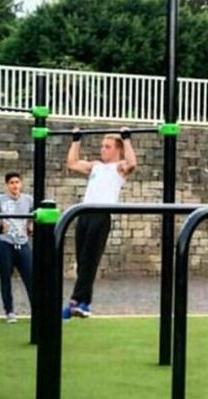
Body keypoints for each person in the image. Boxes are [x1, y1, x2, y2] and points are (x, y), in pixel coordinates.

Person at [63, 127, 137, 319]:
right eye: (102, 146)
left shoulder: (119, 167)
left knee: (90, 260)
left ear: (117, 149)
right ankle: (84, 304)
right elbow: (72, 163)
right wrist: (76, 140)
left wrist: (126, 138)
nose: (103, 149)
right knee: (82, 261)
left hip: (100, 216)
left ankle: (75, 302)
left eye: (107, 146)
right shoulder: (95, 165)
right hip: (84, 214)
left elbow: (132, 163)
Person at [0, 172, 34, 324]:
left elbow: (35, 213)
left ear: (21, 184)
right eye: (11, 183)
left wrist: (30, 225)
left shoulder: (28, 200)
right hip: (5, 243)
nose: (15, 185)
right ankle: (9, 311)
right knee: (5, 278)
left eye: (17, 182)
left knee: (31, 277)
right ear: (6, 185)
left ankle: (37, 310)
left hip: (22, 243)